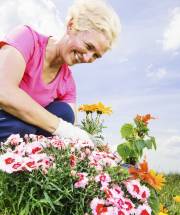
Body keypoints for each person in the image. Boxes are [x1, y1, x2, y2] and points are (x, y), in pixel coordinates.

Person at [0, 0, 121, 143]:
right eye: (88, 46)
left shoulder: (68, 84)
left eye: (96, 56)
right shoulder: (27, 38)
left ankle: (31, 155)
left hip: (23, 133)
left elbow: (71, 126)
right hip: (6, 122)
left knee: (65, 113)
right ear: (71, 25)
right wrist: (63, 128)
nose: (88, 58)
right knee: (21, 127)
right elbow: (4, 91)